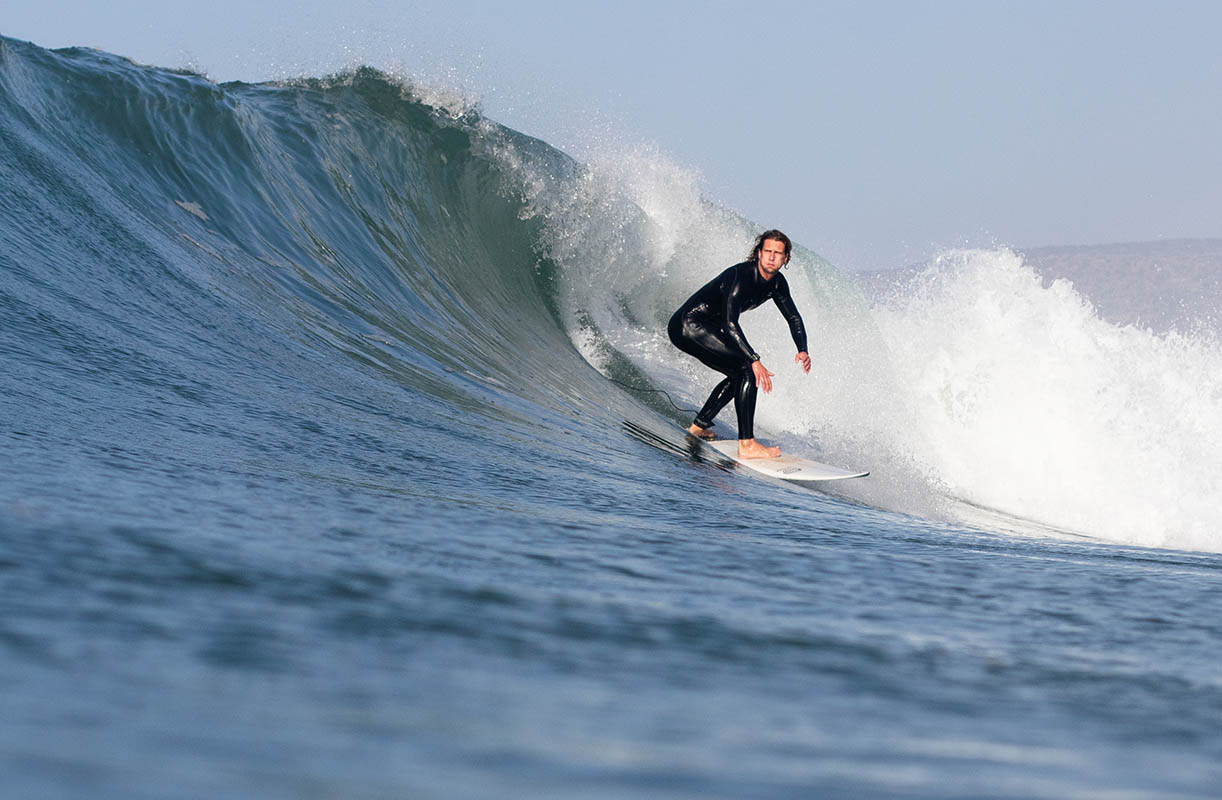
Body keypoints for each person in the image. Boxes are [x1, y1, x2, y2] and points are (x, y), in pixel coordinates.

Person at [668, 229, 811, 459]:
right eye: (768, 252)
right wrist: (754, 359)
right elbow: (729, 322)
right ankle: (747, 444)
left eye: (778, 253)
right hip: (689, 325)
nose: (772, 257)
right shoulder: (741, 276)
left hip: (708, 327)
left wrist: (802, 349)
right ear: (758, 253)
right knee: (747, 370)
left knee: (740, 373)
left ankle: (698, 427)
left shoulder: (777, 284)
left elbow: (793, 317)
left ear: (785, 259)